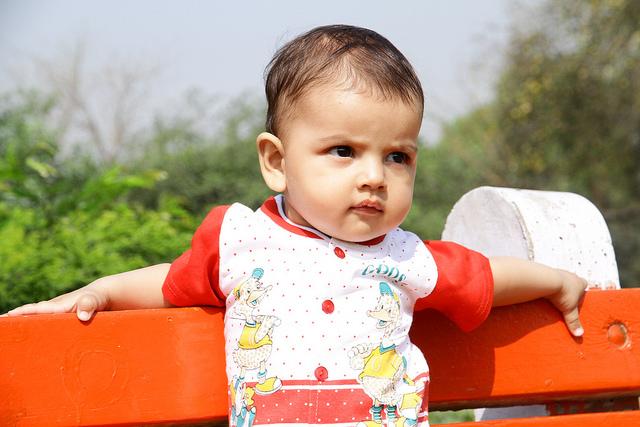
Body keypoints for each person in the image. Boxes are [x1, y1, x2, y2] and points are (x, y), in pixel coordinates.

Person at [5, 25, 587, 426]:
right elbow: (170, 283)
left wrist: (556, 281)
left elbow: (486, 277)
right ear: (277, 162)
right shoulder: (240, 240)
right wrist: (102, 291)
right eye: (342, 150)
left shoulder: (409, 258)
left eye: (397, 156)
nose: (373, 177)